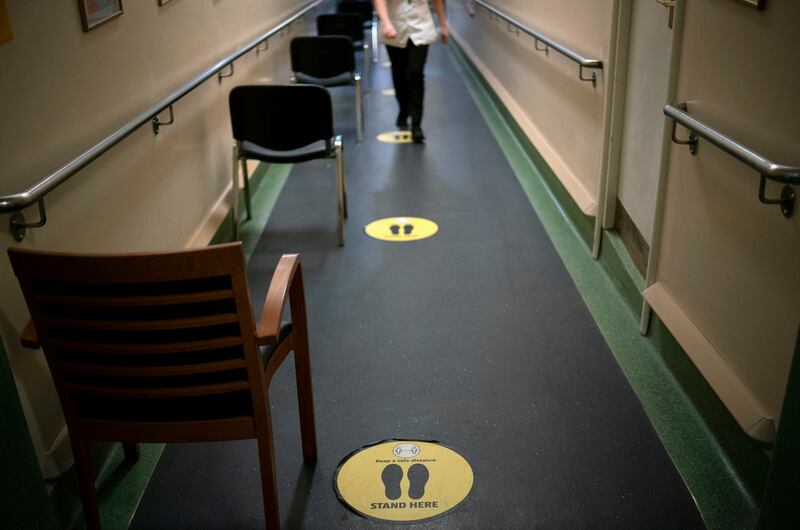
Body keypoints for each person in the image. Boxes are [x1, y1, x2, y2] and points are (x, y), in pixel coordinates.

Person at [374, 0, 448, 143]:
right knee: (399, 73)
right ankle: (403, 108)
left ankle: (416, 124)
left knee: (416, 73)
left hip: (421, 26)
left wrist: (443, 24)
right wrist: (386, 22)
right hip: (395, 26)